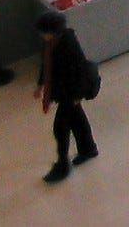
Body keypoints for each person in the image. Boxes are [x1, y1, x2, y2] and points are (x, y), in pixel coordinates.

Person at [34, 10, 97, 183]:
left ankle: (63, 164)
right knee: (77, 121)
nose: (41, 35)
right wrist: (40, 86)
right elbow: (45, 66)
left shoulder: (68, 44)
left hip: (70, 92)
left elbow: (79, 69)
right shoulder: (50, 44)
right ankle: (88, 149)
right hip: (63, 91)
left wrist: (77, 94)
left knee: (60, 128)